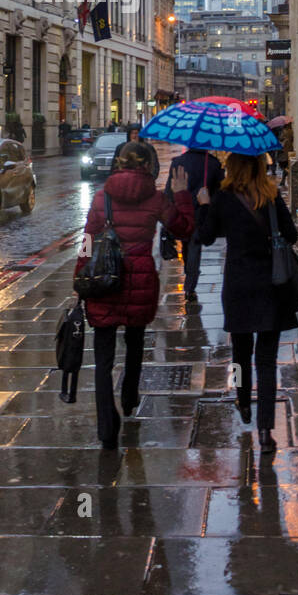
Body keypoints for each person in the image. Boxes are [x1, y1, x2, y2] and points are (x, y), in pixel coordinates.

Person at [76, 142, 194, 449]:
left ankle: (106, 426)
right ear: (148, 166)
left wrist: (80, 276)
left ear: (118, 164)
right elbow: (184, 229)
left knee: (102, 357)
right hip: (140, 278)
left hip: (105, 277)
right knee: (135, 341)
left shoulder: (102, 198)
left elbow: (88, 241)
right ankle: (129, 396)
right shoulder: (156, 198)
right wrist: (182, 193)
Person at [195, 151, 298, 453]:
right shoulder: (270, 194)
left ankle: (243, 403)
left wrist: (203, 205)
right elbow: (291, 235)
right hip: (271, 284)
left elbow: (205, 237)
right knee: (266, 361)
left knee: (240, 354)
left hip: (238, 285)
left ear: (233, 166)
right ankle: (266, 431)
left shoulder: (223, 197)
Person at [163, 149, 223, 300]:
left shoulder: (177, 162)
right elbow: (220, 190)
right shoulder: (213, 163)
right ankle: (190, 285)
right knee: (194, 246)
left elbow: (170, 189)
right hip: (201, 210)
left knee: (186, 243)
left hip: (182, 209)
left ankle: (189, 275)